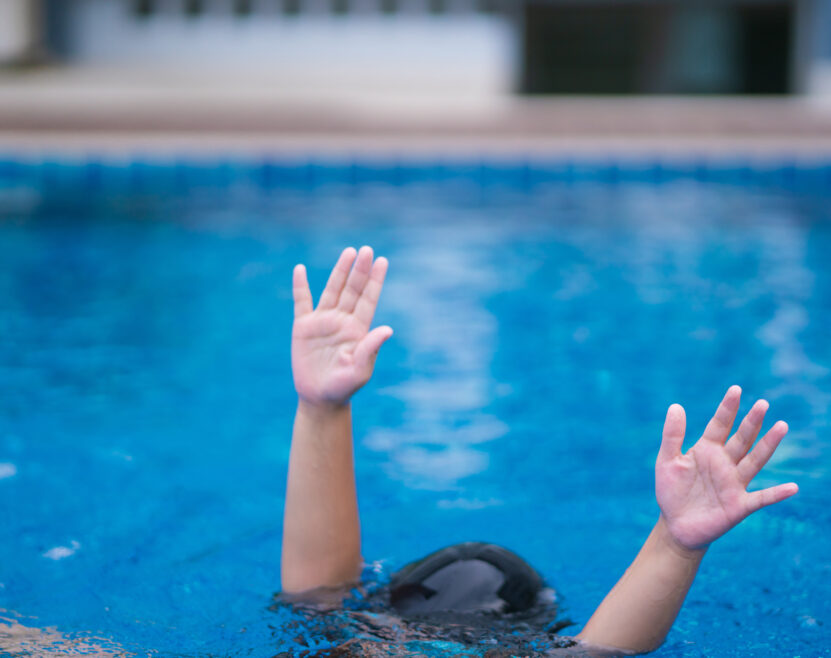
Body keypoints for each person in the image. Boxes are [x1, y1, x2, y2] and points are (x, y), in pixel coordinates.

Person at [281, 246, 799, 655]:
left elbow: (319, 602)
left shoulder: (349, 639)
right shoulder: (353, 639)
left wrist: (678, 545)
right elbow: (598, 650)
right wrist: (674, 544)